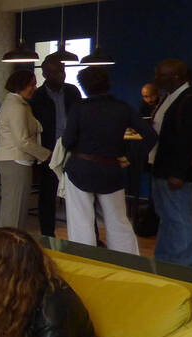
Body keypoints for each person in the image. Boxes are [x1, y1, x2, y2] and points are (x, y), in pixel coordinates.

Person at [62, 67, 156, 254]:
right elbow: (150, 135)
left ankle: (85, 262)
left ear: (84, 87)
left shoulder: (79, 108)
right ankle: (128, 263)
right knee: (118, 220)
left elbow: (67, 141)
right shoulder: (123, 108)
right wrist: (129, 157)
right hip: (111, 169)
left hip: (81, 167)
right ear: (108, 84)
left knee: (81, 222)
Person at [150, 59, 192, 266]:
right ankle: (165, 261)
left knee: (180, 219)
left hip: (177, 173)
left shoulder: (190, 100)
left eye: (161, 75)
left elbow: (190, 139)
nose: (156, 78)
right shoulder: (169, 97)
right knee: (167, 217)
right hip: (162, 169)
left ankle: (183, 264)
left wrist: (178, 173)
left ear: (176, 77)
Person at [30, 55, 82, 237]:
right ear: (45, 74)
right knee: (47, 195)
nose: (61, 75)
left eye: (62, 70)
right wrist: (42, 153)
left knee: (79, 195)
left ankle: (84, 236)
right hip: (50, 150)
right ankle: (47, 235)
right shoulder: (38, 96)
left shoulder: (72, 92)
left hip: (73, 149)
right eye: (56, 72)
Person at [0, 70, 51, 230]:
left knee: (14, 208)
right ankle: (9, 247)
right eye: (31, 84)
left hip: (14, 159)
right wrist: (46, 154)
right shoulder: (16, 106)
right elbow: (22, 140)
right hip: (15, 159)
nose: (35, 87)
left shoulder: (17, 104)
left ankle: (10, 245)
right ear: (21, 86)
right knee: (14, 210)